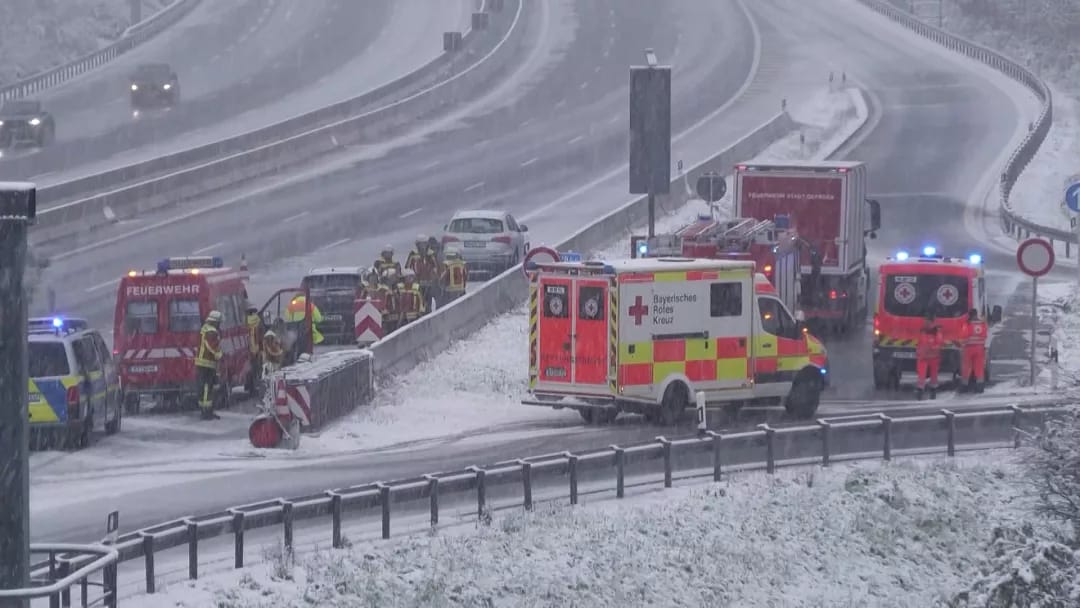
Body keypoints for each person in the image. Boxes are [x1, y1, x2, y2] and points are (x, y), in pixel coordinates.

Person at [194, 310, 223, 420]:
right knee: (208, 387)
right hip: (207, 363)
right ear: (215, 322)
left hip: (202, 362)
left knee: (204, 387)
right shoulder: (211, 331)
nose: (219, 324)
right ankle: (207, 411)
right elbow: (212, 346)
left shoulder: (205, 328)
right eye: (219, 322)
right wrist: (219, 354)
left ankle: (204, 410)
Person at [915, 311, 943, 400]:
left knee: (933, 376)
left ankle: (933, 391)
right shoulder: (923, 331)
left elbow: (939, 344)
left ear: (931, 321)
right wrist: (919, 351)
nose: (925, 322)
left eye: (927, 321)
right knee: (921, 375)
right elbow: (919, 343)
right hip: (923, 357)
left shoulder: (936, 332)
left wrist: (931, 348)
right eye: (925, 320)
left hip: (933, 357)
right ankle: (920, 391)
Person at [960, 307, 988, 393]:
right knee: (979, 368)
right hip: (979, 349)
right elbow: (985, 335)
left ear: (970, 315)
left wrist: (961, 345)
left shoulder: (967, 324)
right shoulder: (982, 324)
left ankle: (965, 387)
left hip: (969, 349)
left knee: (967, 368)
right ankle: (980, 387)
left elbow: (964, 337)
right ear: (976, 314)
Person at [245, 302, 262, 392]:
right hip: (257, 347)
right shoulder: (258, 321)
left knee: (250, 368)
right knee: (256, 368)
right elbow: (260, 335)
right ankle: (255, 385)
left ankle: (250, 385)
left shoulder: (244, 321)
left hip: (248, 347)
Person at [380, 269, 401, 333]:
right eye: (394, 277)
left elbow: (399, 301)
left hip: (395, 316)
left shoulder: (395, 289)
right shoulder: (382, 290)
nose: (396, 279)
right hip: (386, 318)